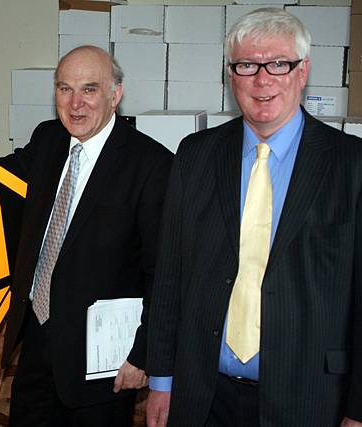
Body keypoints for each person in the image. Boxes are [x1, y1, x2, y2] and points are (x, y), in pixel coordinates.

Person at [0, 45, 172, 426]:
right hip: (34, 342)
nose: (75, 103)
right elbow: (0, 183)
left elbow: (163, 274)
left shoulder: (152, 165)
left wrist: (144, 355)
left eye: (89, 89)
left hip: (102, 364)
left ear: (115, 95)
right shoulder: (48, 139)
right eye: (64, 89)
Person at [144, 8, 362, 427]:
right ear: (230, 75)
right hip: (203, 398)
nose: (262, 80)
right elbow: (168, 275)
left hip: (310, 400)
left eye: (279, 64)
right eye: (247, 65)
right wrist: (162, 380)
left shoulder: (350, 165)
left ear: (303, 71)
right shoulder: (195, 156)